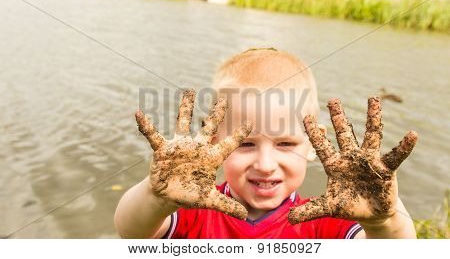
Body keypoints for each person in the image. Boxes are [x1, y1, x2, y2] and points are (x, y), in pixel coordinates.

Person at [114, 48, 418, 239]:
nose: (265, 164)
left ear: (315, 144)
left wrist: (384, 222)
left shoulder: (329, 223)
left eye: (285, 143)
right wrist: (155, 198)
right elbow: (131, 232)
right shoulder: (192, 207)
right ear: (216, 143)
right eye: (245, 144)